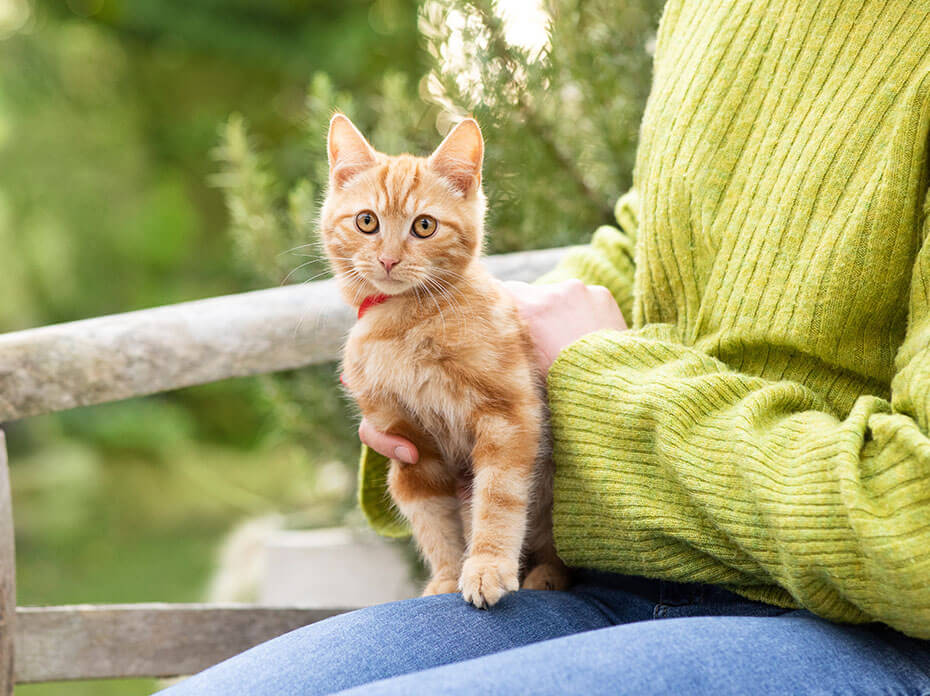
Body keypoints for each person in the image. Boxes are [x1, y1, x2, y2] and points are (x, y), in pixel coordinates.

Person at [159, 1, 930, 693]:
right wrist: (467, 361)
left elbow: (915, 530)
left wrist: (608, 384)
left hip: (844, 625)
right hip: (606, 572)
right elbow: (650, 241)